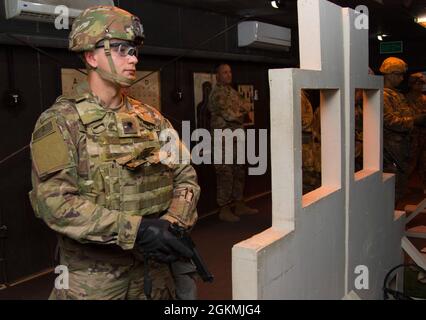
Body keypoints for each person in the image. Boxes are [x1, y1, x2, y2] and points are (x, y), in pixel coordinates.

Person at [29, 5, 200, 300]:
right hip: (94, 282)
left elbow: (186, 177)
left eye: (133, 50)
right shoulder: (60, 121)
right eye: (121, 49)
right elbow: (54, 203)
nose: (133, 58)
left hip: (154, 273)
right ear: (91, 56)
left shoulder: (152, 118)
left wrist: (171, 225)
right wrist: (139, 230)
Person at [208, 63, 258, 222]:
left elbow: (246, 108)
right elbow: (232, 115)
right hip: (223, 141)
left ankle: (239, 204)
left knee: (238, 171)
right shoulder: (217, 94)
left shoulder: (233, 92)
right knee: (225, 174)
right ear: (217, 76)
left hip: (236, 139)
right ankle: (224, 209)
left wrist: (241, 112)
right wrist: (240, 113)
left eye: (230, 72)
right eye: (224, 72)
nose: (228, 75)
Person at [379, 57, 426, 203]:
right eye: (399, 75)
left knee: (399, 189)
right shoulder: (382, 95)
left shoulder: (396, 94)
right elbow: (389, 121)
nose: (401, 78)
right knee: (391, 191)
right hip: (390, 150)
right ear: (390, 74)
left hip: (402, 148)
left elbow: (404, 115)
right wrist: (415, 120)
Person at [406, 72, 426, 192]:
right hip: (412, 136)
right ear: (412, 84)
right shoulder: (406, 98)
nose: (420, 86)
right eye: (417, 83)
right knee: (410, 163)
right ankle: (402, 187)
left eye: (422, 83)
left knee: (424, 162)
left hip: (424, 134)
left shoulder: (424, 98)